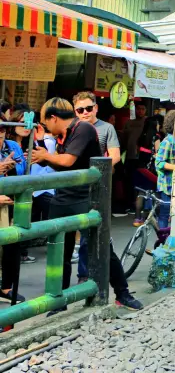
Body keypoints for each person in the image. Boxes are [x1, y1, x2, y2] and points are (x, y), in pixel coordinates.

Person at [32, 98, 142, 312]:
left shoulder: (83, 128)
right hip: (63, 196)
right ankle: (57, 301)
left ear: (54, 118)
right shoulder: (63, 135)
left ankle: (122, 293)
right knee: (59, 251)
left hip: (87, 197)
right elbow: (60, 165)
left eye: (46, 124)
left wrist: (47, 155)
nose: (47, 129)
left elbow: (68, 161)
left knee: (102, 248)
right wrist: (44, 153)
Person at [73, 91, 123, 284]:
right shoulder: (73, 128)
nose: (85, 112)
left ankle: (85, 275)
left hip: (97, 185)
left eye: (88, 108)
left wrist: (98, 171)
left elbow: (115, 156)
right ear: (75, 111)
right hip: (75, 186)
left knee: (93, 232)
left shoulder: (106, 128)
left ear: (96, 108)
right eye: (80, 109)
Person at [0, 117, 26, 302]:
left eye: (2, 129)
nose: (0, 134)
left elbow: (25, 170)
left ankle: (6, 287)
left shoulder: (11, 146)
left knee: (12, 245)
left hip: (12, 202)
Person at [121, 101, 147, 217]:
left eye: (142, 109)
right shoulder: (129, 123)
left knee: (140, 183)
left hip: (142, 158)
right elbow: (123, 140)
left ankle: (140, 206)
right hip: (129, 157)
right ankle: (130, 204)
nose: (140, 111)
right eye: (138, 109)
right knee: (129, 182)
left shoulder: (147, 122)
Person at [153, 110, 175, 229]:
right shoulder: (168, 141)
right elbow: (159, 163)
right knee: (164, 214)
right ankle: (162, 241)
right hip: (167, 185)